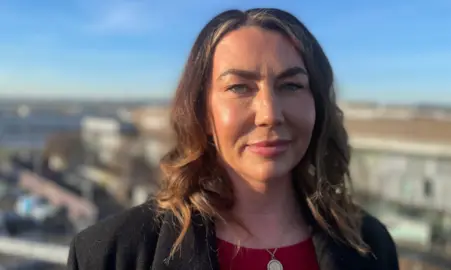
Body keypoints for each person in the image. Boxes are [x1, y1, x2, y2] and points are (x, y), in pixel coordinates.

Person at [67, 8, 399, 270]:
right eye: (239, 87)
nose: (269, 113)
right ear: (202, 112)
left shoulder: (369, 245)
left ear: (318, 105)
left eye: (292, 85)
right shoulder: (111, 254)